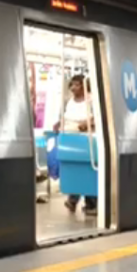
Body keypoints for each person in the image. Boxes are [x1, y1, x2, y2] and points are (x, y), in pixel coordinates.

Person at [54, 74, 98, 216]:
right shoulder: (70, 102)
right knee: (75, 170)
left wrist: (86, 124)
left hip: (87, 139)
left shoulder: (92, 101)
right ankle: (73, 200)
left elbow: (98, 118)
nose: (73, 88)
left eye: (77, 85)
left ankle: (90, 203)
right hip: (71, 138)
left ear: (84, 87)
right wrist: (59, 123)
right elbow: (66, 117)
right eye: (72, 85)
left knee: (87, 170)